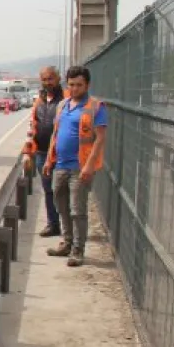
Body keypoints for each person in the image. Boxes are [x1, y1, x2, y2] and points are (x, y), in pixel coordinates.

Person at [43, 66, 107, 267]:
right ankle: (67, 243)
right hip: (60, 165)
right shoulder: (63, 105)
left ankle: (78, 250)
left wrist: (89, 166)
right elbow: (55, 134)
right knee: (60, 206)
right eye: (71, 85)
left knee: (77, 210)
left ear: (87, 84)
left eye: (79, 85)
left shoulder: (96, 106)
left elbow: (100, 139)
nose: (75, 88)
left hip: (80, 167)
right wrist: (48, 159)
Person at [22, 67, 65, 238]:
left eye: (51, 79)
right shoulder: (39, 102)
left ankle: (68, 227)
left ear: (58, 78)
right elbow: (33, 126)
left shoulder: (66, 99)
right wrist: (28, 152)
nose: (48, 82)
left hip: (61, 153)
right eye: (45, 79)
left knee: (62, 191)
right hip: (41, 152)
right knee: (48, 190)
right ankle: (53, 224)